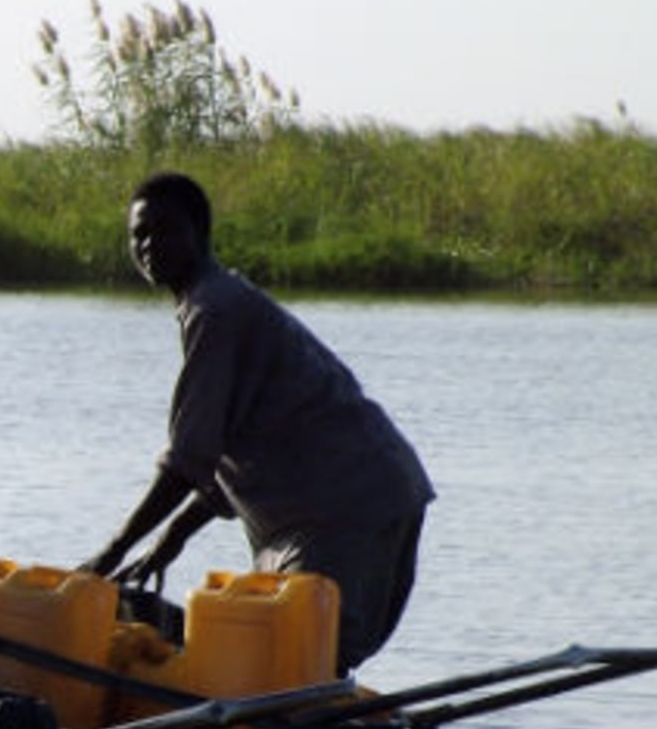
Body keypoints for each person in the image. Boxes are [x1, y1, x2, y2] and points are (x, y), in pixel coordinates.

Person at [80, 172, 433, 673]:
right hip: (371, 491)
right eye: (139, 235)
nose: (150, 246)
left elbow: (188, 462)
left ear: (199, 235)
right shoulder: (218, 303)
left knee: (299, 658)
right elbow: (242, 446)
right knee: (301, 656)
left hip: (342, 503)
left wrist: (109, 555)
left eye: (165, 231)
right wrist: (171, 538)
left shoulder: (214, 310)